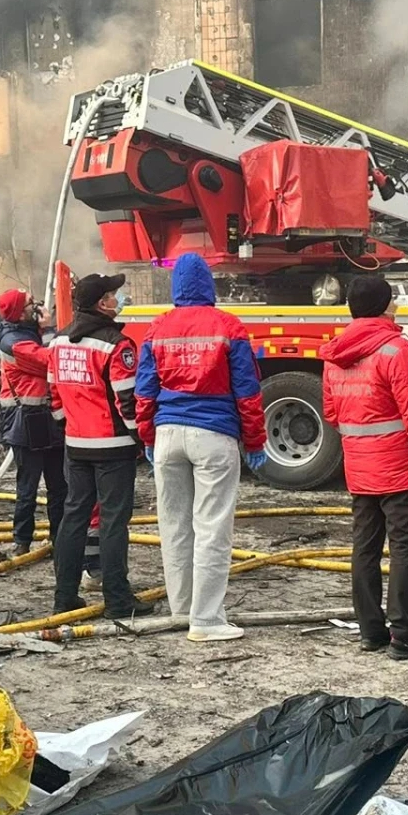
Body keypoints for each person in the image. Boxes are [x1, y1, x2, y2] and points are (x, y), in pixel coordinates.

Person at [134, 254, 268, 643]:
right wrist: (255, 440)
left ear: (176, 286)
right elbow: (247, 391)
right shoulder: (229, 327)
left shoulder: (157, 329)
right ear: (209, 285)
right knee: (211, 527)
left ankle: (182, 607)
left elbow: (144, 392)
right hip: (213, 435)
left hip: (167, 435)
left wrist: (147, 435)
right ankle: (206, 619)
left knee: (174, 525)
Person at [322, 273, 408, 658]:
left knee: (365, 549)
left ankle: (370, 631)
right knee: (407, 549)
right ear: (387, 305)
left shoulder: (334, 355)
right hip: (398, 469)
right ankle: (406, 635)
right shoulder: (396, 350)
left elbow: (331, 413)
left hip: (360, 471)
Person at [16, 272, 154, 621]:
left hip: (76, 446)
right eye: (113, 295)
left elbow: (55, 395)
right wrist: (140, 438)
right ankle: (118, 600)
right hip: (113, 447)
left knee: (73, 518)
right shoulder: (116, 345)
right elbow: (128, 401)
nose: (117, 300)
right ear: (100, 303)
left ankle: (64, 597)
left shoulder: (59, 342)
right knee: (112, 522)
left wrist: (69, 427)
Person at [0, 288, 65, 557]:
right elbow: (51, 361)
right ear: (18, 312)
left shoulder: (20, 332)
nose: (35, 307)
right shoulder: (15, 342)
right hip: (27, 423)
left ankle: (60, 539)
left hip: (46, 419)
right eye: (30, 304)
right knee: (28, 486)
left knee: (59, 486)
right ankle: (22, 540)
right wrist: (48, 331)